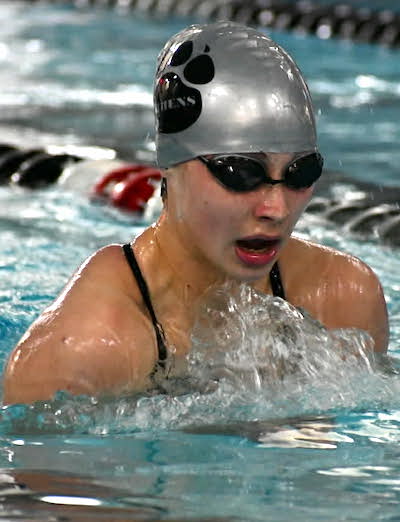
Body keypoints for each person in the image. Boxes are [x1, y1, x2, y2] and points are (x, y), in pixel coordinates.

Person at [3, 21, 389, 405]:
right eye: (240, 173)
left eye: (299, 173)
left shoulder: (342, 299)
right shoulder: (81, 352)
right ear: (170, 165)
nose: (276, 208)